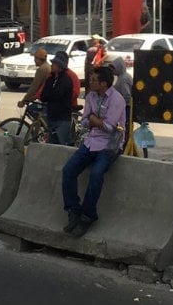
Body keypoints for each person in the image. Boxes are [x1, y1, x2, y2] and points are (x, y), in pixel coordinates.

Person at [61, 66, 127, 238]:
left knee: (96, 174)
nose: (90, 82)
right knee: (68, 170)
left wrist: (92, 119)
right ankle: (73, 210)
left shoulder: (116, 100)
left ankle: (88, 215)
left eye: (94, 80)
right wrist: (92, 120)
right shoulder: (91, 96)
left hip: (110, 145)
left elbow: (109, 127)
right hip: (91, 142)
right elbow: (83, 121)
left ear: (104, 83)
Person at [42, 52, 76, 145]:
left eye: (54, 63)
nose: (51, 65)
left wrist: (50, 94)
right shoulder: (50, 79)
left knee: (63, 145)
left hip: (62, 118)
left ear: (60, 66)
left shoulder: (66, 80)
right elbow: (43, 96)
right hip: (51, 117)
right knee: (52, 145)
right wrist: (50, 94)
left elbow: (57, 95)